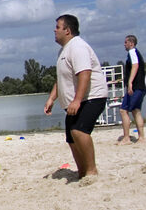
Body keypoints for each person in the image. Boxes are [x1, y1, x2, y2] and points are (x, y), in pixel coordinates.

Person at [44, 14, 108, 181]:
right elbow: (61, 79)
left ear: (68, 30)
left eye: (58, 27)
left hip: (92, 97)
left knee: (79, 131)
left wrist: (77, 100)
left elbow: (84, 74)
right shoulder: (63, 51)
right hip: (78, 100)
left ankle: (92, 171)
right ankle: (82, 172)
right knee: (71, 138)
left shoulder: (78, 47)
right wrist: (52, 99)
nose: (54, 30)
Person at [117, 34, 146, 145]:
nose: (124, 44)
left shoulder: (132, 52)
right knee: (136, 111)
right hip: (141, 87)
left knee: (123, 110)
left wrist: (130, 82)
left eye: (126, 42)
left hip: (136, 87)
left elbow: (135, 66)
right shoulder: (135, 52)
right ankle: (141, 138)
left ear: (131, 43)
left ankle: (126, 138)